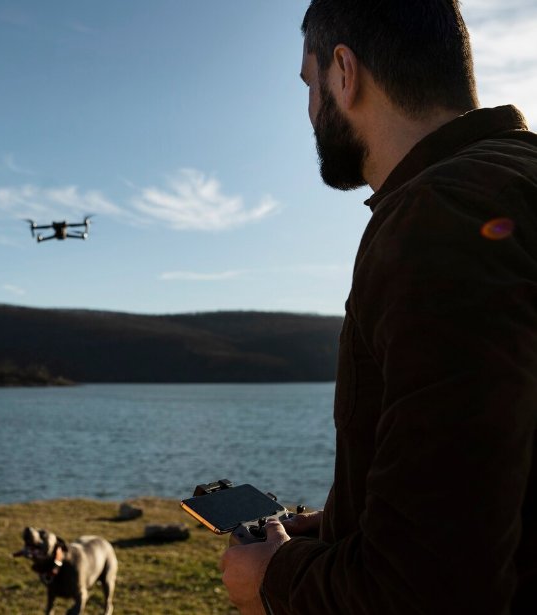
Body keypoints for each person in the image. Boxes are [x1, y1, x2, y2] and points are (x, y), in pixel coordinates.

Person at [220, 1, 537, 613]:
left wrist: (271, 580)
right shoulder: (516, 178)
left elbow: (424, 587)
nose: (310, 109)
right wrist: (345, 523)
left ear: (345, 71)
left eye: (310, 84)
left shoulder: (437, 217)